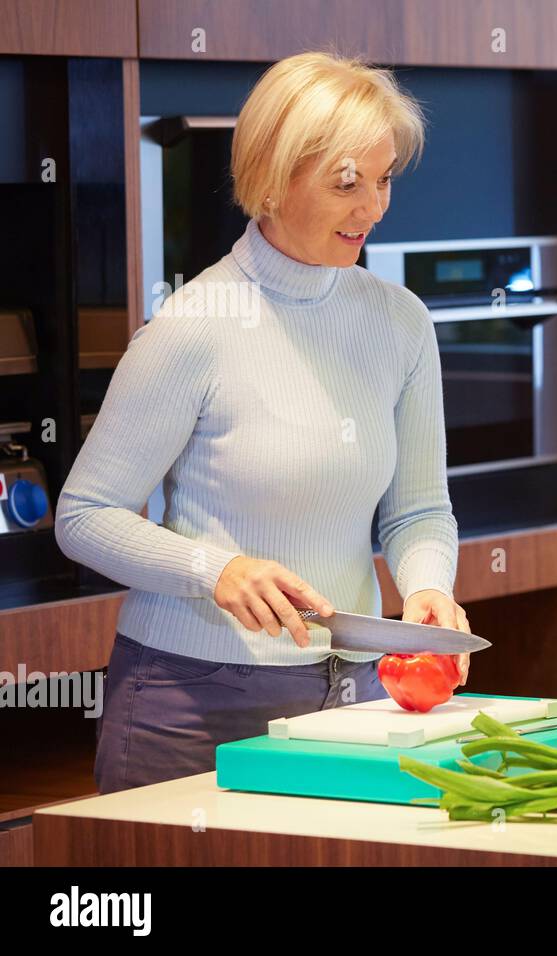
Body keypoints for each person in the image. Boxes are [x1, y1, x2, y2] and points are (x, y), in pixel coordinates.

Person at [55, 51, 469, 793]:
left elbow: (418, 509)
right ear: (273, 181)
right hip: (190, 701)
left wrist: (428, 588)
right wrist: (216, 570)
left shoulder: (398, 323)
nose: (373, 207)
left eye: (384, 180)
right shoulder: (193, 328)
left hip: (354, 692)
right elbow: (84, 516)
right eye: (348, 183)